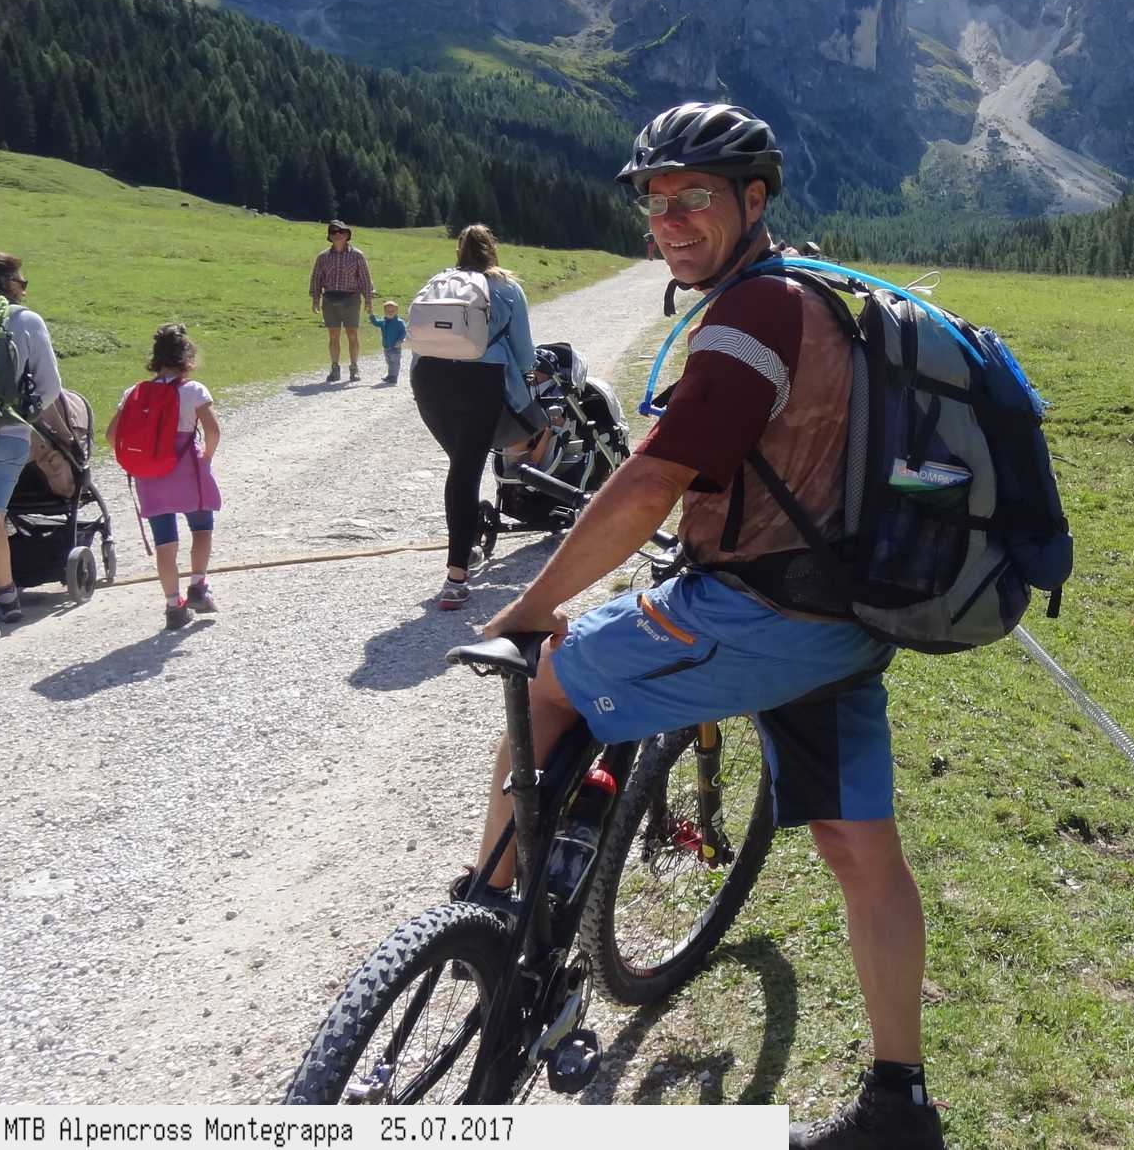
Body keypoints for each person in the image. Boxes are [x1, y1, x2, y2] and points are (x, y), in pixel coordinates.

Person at [466, 103, 944, 1150]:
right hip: (843, 617)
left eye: (693, 197)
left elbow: (652, 482)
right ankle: (900, 1103)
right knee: (861, 848)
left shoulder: (752, 316)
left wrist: (529, 609)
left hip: (757, 613)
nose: (669, 220)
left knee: (544, 678)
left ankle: (483, 928)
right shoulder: (817, 295)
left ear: (753, 199)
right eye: (654, 201)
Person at [409, 224, 544, 610]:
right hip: (478, 381)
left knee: (461, 466)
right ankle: (456, 578)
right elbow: (524, 354)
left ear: (459, 250)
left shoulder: (440, 281)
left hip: (428, 379)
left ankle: (466, 543)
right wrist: (529, 377)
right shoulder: (506, 287)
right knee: (466, 472)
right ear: (492, 249)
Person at [104, 323, 222, 632]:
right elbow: (212, 430)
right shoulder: (194, 391)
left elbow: (112, 435)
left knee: (165, 544)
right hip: (188, 472)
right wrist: (206, 457)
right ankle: (198, 586)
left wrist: (138, 458)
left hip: (150, 475)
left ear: (155, 358)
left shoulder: (134, 393)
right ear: (187, 358)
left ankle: (173, 606)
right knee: (202, 529)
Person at [0, 252, 64, 644]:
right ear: (7, 284)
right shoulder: (26, 321)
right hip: (8, 436)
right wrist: (23, 415)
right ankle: (6, 598)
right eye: (21, 281)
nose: (24, 288)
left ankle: (6, 595)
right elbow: (51, 387)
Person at [309, 220, 375, 383]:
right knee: (333, 335)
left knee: (352, 333)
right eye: (333, 232)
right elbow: (317, 278)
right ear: (330, 236)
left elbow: (365, 278)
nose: (337, 235)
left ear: (347, 235)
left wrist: (368, 299)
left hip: (351, 298)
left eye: (341, 232)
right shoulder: (323, 257)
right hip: (330, 298)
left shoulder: (357, 255)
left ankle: (354, 368)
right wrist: (316, 299)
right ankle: (334, 368)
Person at [368, 300, 407, 384]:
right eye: (387, 311)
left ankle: (394, 377)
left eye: (392, 311)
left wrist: (400, 340)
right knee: (389, 362)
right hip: (386, 347)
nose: (390, 313)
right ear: (384, 312)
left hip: (395, 347)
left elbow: (404, 332)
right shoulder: (384, 322)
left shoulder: (399, 322)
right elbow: (375, 322)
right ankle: (390, 375)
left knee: (395, 362)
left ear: (396, 311)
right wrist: (371, 314)